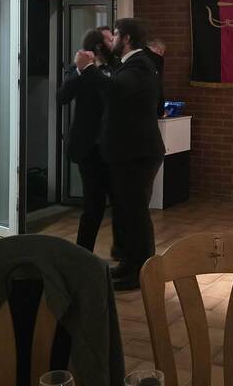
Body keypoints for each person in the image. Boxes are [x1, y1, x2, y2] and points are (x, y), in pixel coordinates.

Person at [78, 18, 164, 291]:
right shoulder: (132, 64)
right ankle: (129, 263)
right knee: (128, 212)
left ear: (125, 38)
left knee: (136, 214)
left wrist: (88, 69)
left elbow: (116, 88)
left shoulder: (139, 65)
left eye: (115, 34)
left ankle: (141, 271)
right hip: (130, 153)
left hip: (138, 154)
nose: (112, 40)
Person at [58, 28, 114, 253]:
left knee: (121, 203)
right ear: (99, 45)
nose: (114, 41)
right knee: (93, 205)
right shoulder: (77, 69)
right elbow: (62, 97)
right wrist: (81, 70)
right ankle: (82, 254)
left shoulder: (116, 68)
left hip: (113, 146)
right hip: (89, 147)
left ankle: (121, 252)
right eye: (110, 39)